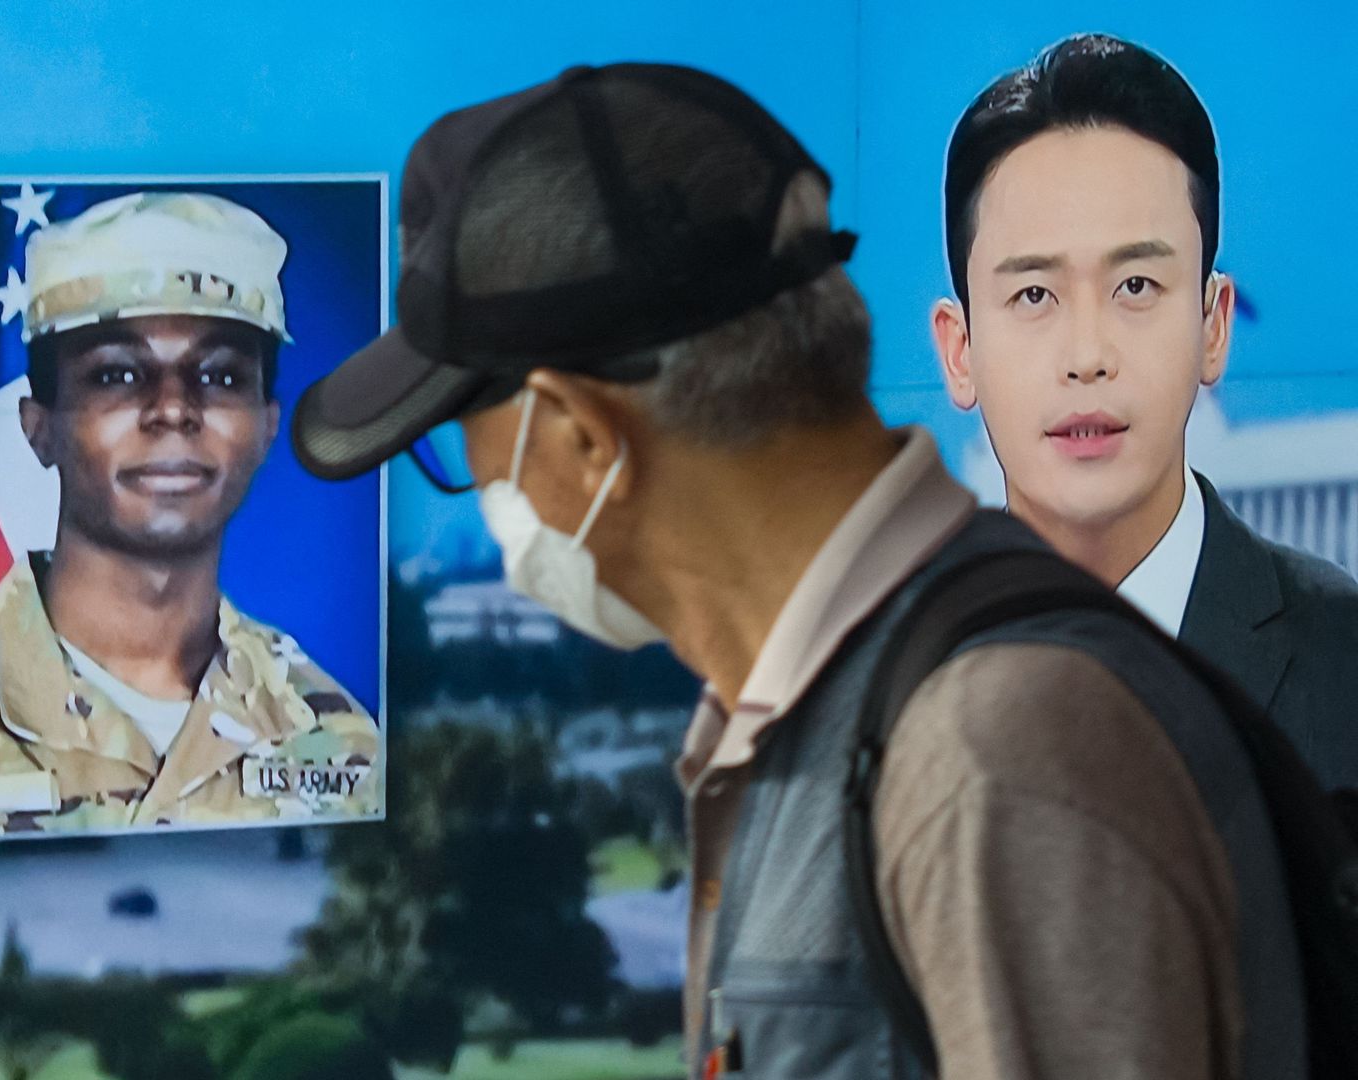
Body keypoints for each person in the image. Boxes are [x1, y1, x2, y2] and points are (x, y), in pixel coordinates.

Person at [293, 64, 1304, 1078]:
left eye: (462, 445)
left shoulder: (989, 746)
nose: (479, 491)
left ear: (582, 438)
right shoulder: (797, 717)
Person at [931, 34, 1358, 790]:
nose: (1088, 353)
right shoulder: (874, 687)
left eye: (1135, 287)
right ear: (960, 350)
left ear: (1213, 326)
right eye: (1035, 295)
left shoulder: (1344, 662)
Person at [0, 191, 378, 841]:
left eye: (218, 376)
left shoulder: (339, 736)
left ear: (267, 429)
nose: (173, 410)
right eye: (118, 375)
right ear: (38, 429)